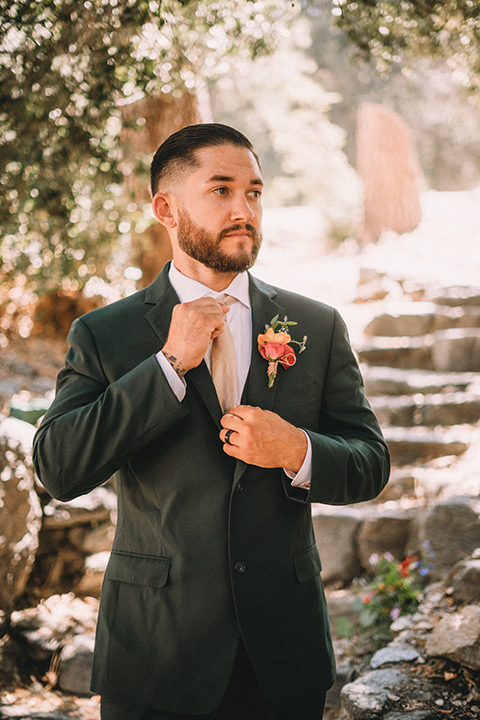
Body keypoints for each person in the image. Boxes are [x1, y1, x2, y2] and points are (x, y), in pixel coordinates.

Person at [33, 123, 390, 720]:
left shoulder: (317, 325)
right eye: (220, 190)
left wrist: (296, 449)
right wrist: (168, 366)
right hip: (155, 652)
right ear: (166, 209)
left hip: (282, 653)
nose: (243, 209)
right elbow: (59, 468)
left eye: (253, 192)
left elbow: (370, 463)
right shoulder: (105, 334)